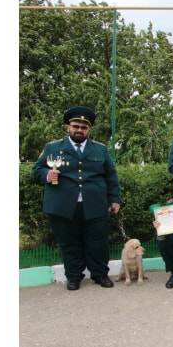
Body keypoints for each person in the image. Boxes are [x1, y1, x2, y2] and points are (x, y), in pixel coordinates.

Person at [32, 106, 122, 291]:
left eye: (83, 127)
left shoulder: (100, 149)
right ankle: (73, 277)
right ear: (69, 127)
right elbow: (37, 169)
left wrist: (114, 199)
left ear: (88, 129)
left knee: (98, 243)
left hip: (95, 204)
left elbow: (111, 177)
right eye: (76, 126)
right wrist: (47, 174)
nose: (79, 130)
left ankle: (100, 274)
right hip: (63, 205)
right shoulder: (53, 148)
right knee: (69, 243)